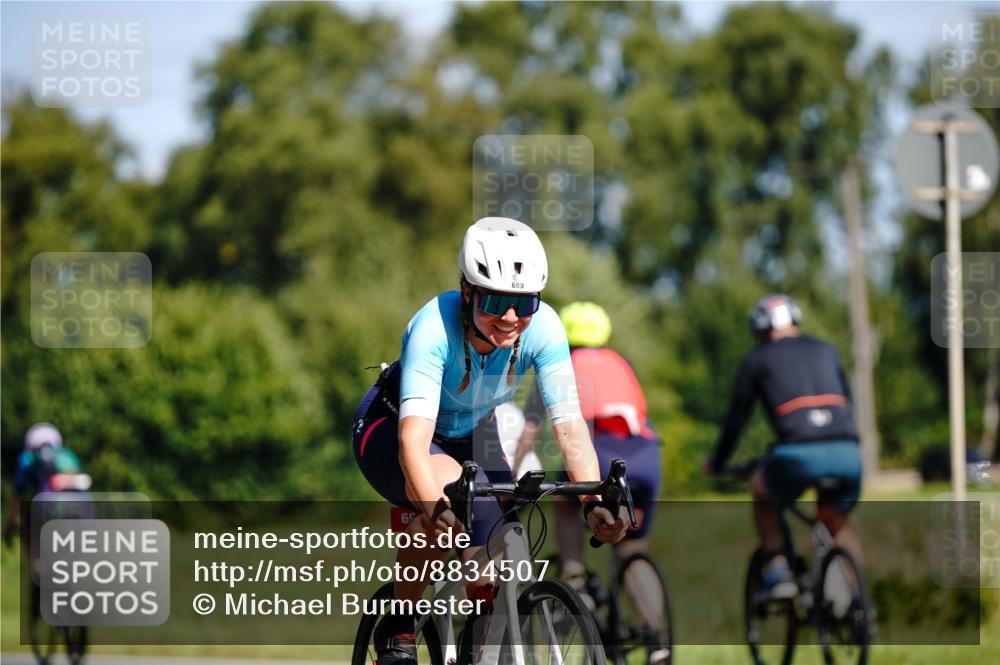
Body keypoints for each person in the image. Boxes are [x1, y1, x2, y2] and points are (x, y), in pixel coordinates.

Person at [352, 218, 627, 665]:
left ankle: (481, 634)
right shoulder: (434, 329)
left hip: (474, 433)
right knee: (443, 498)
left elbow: (569, 427)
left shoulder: (545, 329)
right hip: (392, 430)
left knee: (501, 543)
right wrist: (435, 511)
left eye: (525, 303)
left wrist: (593, 502)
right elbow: (412, 443)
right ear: (467, 291)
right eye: (497, 301)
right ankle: (399, 623)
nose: (511, 317)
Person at [513, 302, 666, 659]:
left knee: (565, 497)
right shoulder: (621, 364)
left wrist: (514, 468)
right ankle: (656, 636)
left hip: (599, 451)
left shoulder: (561, 366)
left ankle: (576, 576)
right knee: (632, 550)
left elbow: (530, 430)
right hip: (644, 457)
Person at [704, 294, 863, 598]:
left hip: (798, 454)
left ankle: (779, 570)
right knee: (839, 525)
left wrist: (718, 461)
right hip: (848, 452)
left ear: (761, 331)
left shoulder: (757, 359)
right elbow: (849, 403)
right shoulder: (827, 349)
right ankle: (859, 608)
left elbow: (737, 418)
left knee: (762, 491)